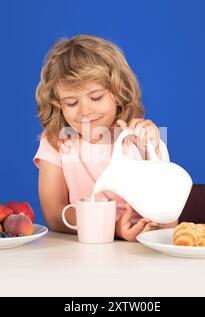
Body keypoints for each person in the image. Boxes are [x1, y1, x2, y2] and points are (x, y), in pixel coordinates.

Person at [33, 34, 177, 241]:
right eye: (72, 103)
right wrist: (113, 228)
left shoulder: (138, 139)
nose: (85, 111)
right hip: (84, 253)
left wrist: (150, 150)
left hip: (144, 250)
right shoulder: (56, 142)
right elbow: (55, 215)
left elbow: (168, 219)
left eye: (96, 97)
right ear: (58, 104)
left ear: (119, 91)